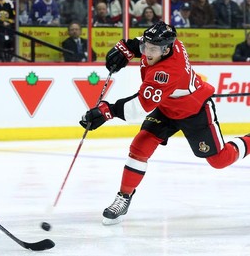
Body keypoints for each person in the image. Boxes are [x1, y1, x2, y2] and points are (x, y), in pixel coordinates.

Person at [79, 21, 250, 225]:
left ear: (167, 49)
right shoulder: (166, 44)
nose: (147, 53)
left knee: (220, 160)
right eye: (146, 48)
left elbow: (139, 108)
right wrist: (127, 47)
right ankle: (124, 197)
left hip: (194, 110)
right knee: (140, 146)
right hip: (167, 107)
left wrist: (107, 111)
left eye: (152, 50)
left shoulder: (166, 72)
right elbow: (144, 42)